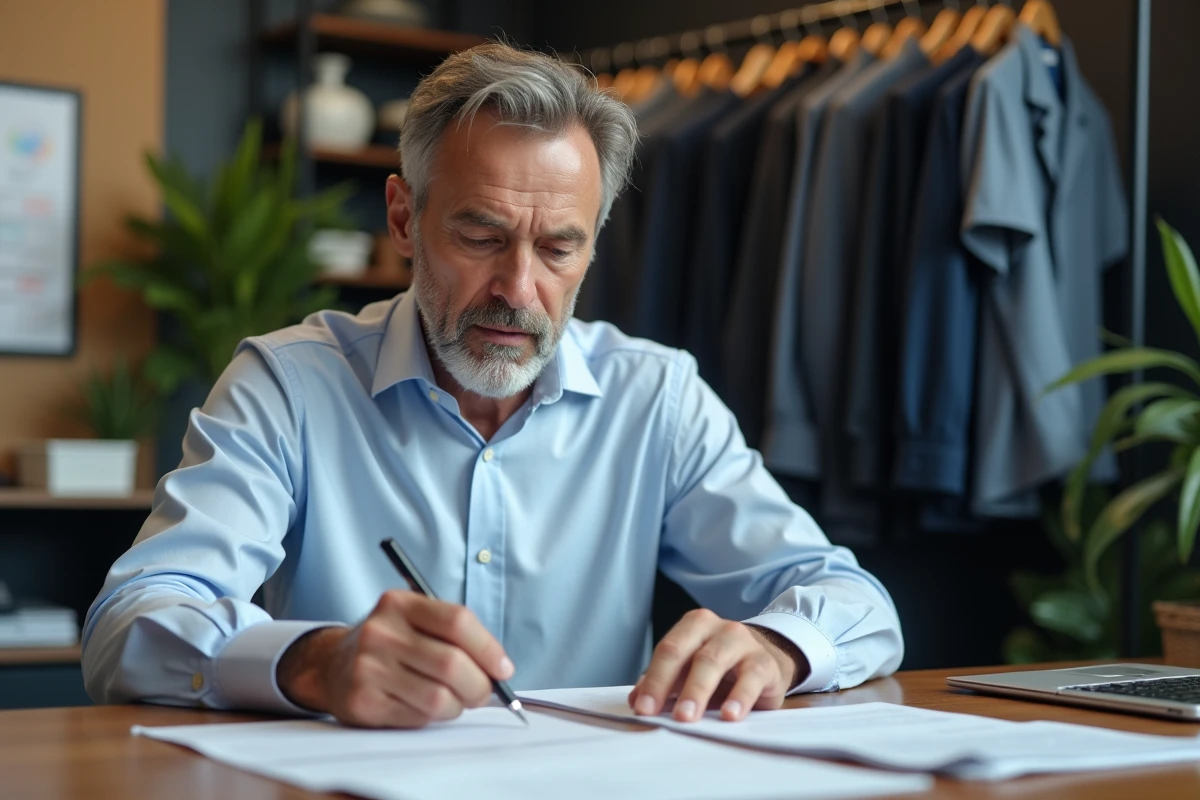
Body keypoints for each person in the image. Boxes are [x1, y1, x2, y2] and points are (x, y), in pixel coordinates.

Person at [82, 42, 903, 729]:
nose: (517, 289)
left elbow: (853, 603)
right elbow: (133, 619)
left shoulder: (657, 398)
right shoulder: (289, 385)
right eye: (481, 234)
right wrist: (313, 661)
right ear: (403, 219)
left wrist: (778, 646)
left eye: (557, 250)